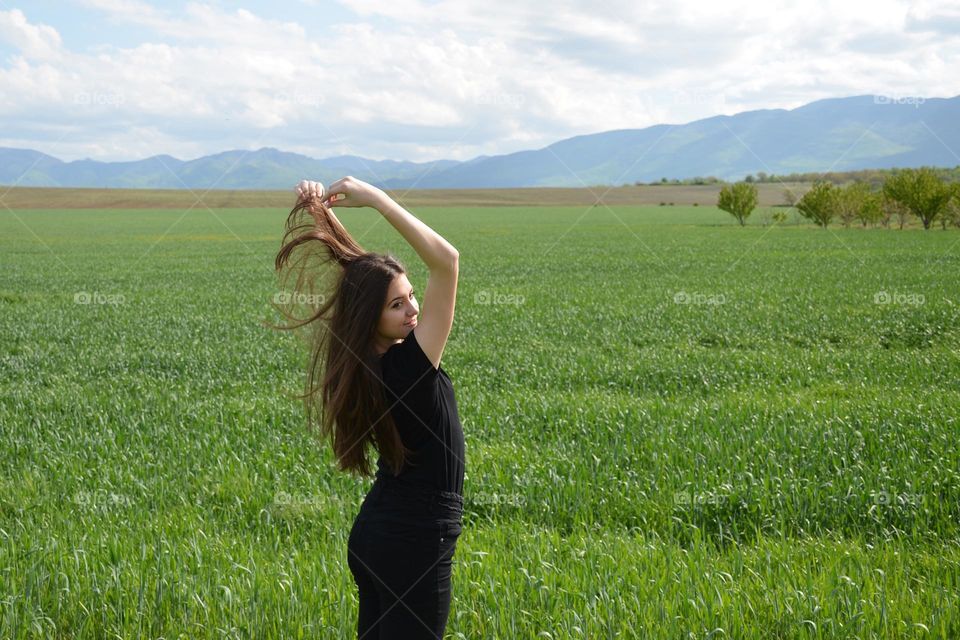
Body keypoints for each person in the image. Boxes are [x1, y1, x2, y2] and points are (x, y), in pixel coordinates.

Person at [273, 176, 465, 639]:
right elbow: (448, 262)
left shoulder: (362, 361)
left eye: (411, 295)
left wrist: (322, 211)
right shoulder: (410, 367)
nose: (413, 310)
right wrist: (378, 200)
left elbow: (360, 275)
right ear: (372, 315)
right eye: (397, 305)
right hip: (414, 543)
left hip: (379, 536)